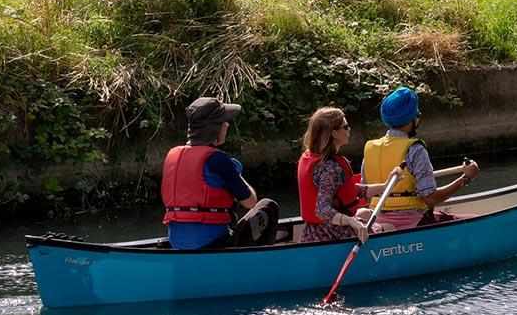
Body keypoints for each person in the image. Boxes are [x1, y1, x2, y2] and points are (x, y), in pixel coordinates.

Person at [161, 96, 274, 250]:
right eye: (224, 122)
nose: (227, 125)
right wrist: (235, 172)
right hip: (212, 244)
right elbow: (250, 202)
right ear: (215, 128)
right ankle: (256, 266)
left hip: (177, 243)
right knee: (268, 207)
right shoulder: (217, 159)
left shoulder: (172, 156)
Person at [360, 86, 479, 230]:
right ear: (413, 118)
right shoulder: (415, 149)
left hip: (377, 218)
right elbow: (430, 198)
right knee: (476, 220)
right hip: (413, 221)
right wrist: (465, 179)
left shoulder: (370, 148)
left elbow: (365, 196)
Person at [297, 107, 393, 244]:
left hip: (313, 232)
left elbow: (349, 191)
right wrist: (352, 222)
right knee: (391, 228)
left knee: (366, 213)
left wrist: (385, 187)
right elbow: (322, 210)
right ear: (334, 133)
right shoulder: (331, 168)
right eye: (346, 127)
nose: (349, 130)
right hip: (333, 234)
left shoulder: (310, 157)